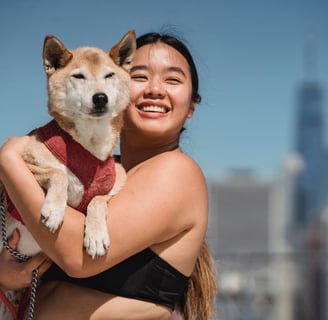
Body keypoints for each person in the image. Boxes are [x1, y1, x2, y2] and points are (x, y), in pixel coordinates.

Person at [0, 32, 217, 320]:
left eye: (173, 79)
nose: (155, 89)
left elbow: (77, 256)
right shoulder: (101, 174)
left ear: (191, 106)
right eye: (139, 76)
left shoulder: (177, 172)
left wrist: (9, 161)